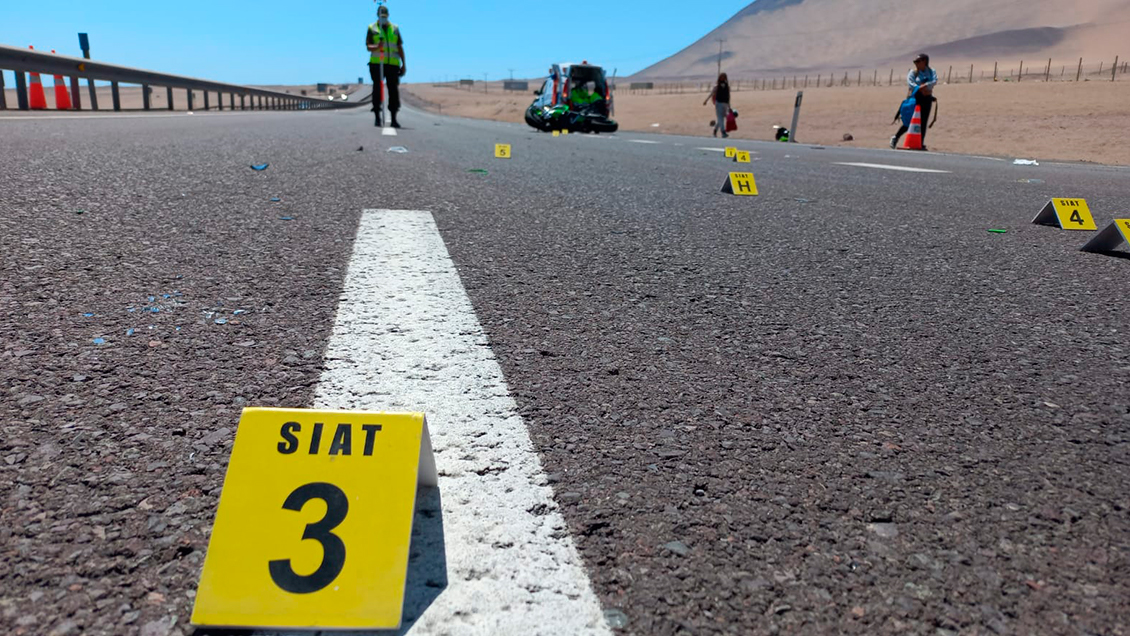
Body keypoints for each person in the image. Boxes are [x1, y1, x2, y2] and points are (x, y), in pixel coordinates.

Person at [366, 6, 406, 127]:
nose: (383, 18)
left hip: (392, 65)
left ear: (388, 15)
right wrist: (377, 46)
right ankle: (377, 117)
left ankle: (394, 118)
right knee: (377, 89)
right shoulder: (372, 28)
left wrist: (404, 64)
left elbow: (399, 47)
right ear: (377, 15)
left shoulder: (395, 28)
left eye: (385, 16)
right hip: (377, 64)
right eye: (381, 16)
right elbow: (368, 46)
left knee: (393, 91)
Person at [890, 53, 937, 150]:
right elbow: (911, 83)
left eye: (918, 61)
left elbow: (934, 81)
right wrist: (920, 88)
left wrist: (926, 86)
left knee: (923, 122)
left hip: (927, 99)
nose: (916, 63)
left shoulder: (931, 71)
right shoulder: (913, 73)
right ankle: (896, 137)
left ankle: (920, 143)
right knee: (911, 120)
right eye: (915, 62)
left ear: (924, 61)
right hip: (916, 99)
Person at [704, 73, 731, 138]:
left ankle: (715, 130)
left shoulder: (727, 86)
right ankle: (723, 132)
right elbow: (711, 93)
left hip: (725, 103)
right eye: (721, 77)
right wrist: (706, 100)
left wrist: (729, 105)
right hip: (719, 103)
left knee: (721, 119)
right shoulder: (717, 86)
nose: (723, 78)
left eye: (724, 77)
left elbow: (728, 95)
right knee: (720, 118)